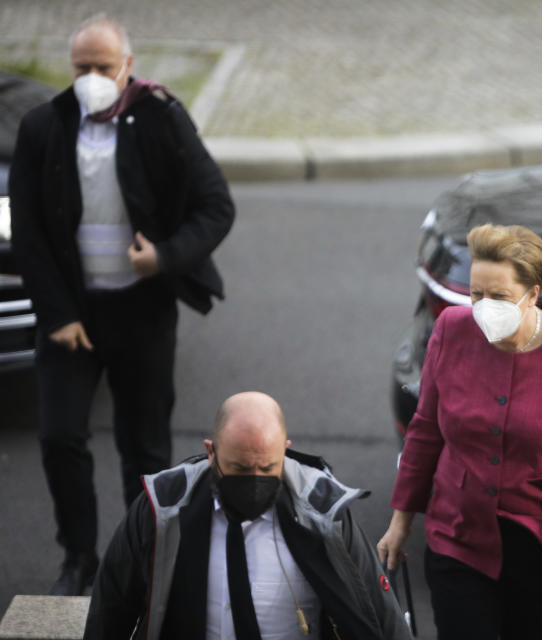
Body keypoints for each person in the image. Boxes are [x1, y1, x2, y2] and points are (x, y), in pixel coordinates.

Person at [8, 15, 234, 595]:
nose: (91, 78)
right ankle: (78, 558)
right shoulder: (43, 125)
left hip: (142, 313)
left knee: (146, 447)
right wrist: (56, 314)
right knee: (60, 437)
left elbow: (215, 205)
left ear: (127, 65)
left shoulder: (161, 118)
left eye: (103, 67)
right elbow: (29, 230)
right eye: (81, 68)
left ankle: (143, 559)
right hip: (71, 320)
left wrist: (163, 256)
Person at [378, 224, 542, 640]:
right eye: (476, 294)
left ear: (533, 294)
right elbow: (426, 430)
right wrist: (401, 520)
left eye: (499, 296)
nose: (483, 306)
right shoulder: (451, 330)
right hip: (460, 534)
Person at [83, 391, 412, 640]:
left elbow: (380, 613)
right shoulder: (163, 508)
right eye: (240, 468)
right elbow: (111, 606)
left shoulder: (324, 514)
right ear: (211, 453)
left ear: (285, 450)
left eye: (267, 467)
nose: (254, 478)